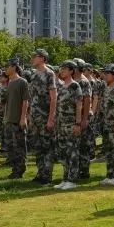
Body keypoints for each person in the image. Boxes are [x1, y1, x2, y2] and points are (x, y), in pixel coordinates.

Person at [28, 49, 58, 185]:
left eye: (35, 56)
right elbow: (31, 97)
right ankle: (40, 173)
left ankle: (47, 175)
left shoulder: (49, 74)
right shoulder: (34, 75)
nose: (32, 58)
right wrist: (29, 115)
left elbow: (53, 98)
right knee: (38, 146)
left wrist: (51, 118)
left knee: (47, 146)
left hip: (45, 116)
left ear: (42, 58)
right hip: (35, 117)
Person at [54, 61, 83, 190]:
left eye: (65, 69)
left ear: (71, 71)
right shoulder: (60, 86)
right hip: (61, 124)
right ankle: (65, 178)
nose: (62, 71)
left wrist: (78, 123)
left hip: (71, 123)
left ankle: (72, 179)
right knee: (63, 152)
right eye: (61, 68)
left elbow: (79, 105)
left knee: (72, 152)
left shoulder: (75, 86)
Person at [1, 59, 29, 179]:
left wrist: (23, 118)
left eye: (7, 66)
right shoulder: (9, 83)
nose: (5, 69)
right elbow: (4, 101)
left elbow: (25, 101)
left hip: (17, 120)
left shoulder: (22, 82)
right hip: (8, 119)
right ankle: (14, 170)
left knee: (19, 147)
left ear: (14, 67)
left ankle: (19, 170)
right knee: (11, 147)